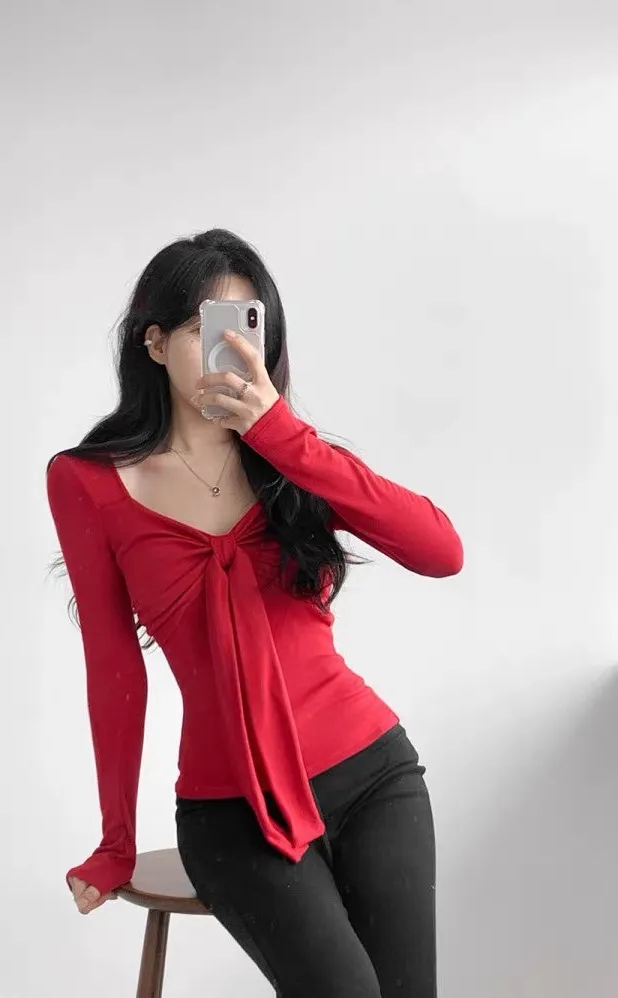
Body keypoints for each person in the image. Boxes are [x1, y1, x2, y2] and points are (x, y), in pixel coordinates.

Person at [46, 228, 463, 998]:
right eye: (208, 326)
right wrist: (116, 841)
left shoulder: (294, 458)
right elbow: (113, 669)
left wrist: (284, 438)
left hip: (374, 777)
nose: (232, 349)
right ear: (155, 342)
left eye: (249, 325)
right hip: (229, 812)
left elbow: (442, 551)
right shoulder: (87, 483)